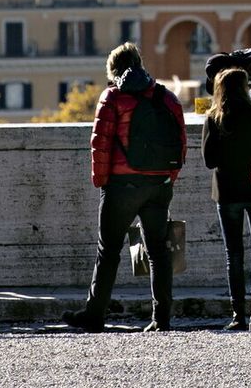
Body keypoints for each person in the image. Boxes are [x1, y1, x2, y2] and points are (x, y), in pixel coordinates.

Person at [64, 42, 186, 333]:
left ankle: (94, 315)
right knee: (158, 251)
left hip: (122, 185)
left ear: (113, 69)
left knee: (108, 251)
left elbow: (100, 143)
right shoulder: (166, 96)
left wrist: (102, 181)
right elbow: (180, 141)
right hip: (159, 183)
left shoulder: (113, 97)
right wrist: (168, 176)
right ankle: (161, 318)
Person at [202, 66, 251, 330]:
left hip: (227, 190)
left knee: (234, 254)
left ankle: (237, 315)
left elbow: (209, 161)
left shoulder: (213, 118)